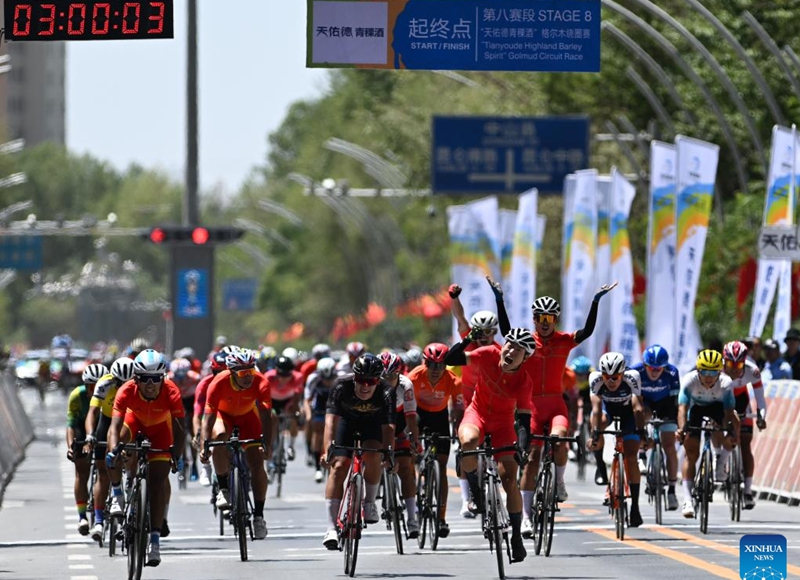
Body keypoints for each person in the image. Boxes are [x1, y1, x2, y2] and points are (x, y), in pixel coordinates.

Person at [489, 277, 617, 535]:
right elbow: (506, 331)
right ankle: (526, 516)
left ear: (555, 320)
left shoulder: (563, 340)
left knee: (559, 440)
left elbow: (587, 331)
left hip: (556, 405)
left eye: (550, 319)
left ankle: (558, 483)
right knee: (533, 458)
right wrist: (499, 300)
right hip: (531, 406)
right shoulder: (527, 341)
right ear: (534, 320)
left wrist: (595, 301)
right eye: (540, 318)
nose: (545, 324)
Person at [445, 327, 536, 563]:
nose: (511, 350)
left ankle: (516, 537)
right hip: (477, 415)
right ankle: (475, 492)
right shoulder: (487, 354)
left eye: (518, 349)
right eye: (509, 344)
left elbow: (524, 421)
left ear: (525, 358)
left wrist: (522, 448)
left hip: (503, 426)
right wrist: (468, 339)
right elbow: (451, 358)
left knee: (509, 480)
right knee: (468, 441)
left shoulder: (524, 382)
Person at [105, 350, 184, 567]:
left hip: (160, 430)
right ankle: (118, 495)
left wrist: (177, 455)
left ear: (163, 378)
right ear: (136, 379)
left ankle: (155, 543)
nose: (150, 384)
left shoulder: (171, 391)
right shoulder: (126, 391)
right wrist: (113, 451)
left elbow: (180, 428)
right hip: (134, 422)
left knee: (158, 483)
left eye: (156, 379)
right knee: (115, 443)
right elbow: (115, 427)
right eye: (144, 379)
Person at [321, 353, 395, 550]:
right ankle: (330, 528)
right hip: (346, 424)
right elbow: (330, 421)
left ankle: (369, 502)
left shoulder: (387, 391)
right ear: (354, 377)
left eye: (371, 381)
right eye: (361, 380)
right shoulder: (340, 385)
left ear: (378, 381)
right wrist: (326, 448)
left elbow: (388, 427)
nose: (365, 386)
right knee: (339, 466)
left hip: (373, 425)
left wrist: (388, 453)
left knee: (374, 454)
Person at [200, 349, 273, 540]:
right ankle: (223, 489)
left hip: (249, 418)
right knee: (220, 436)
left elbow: (267, 415)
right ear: (232, 372)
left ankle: (258, 516)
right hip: (224, 417)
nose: (248, 377)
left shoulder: (261, 381)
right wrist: (204, 445)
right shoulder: (218, 383)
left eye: (251, 371)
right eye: (243, 373)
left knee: (257, 464)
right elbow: (207, 418)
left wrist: (268, 443)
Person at [448, 282, 502, 517]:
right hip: (469, 402)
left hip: (494, 404)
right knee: (465, 447)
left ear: (494, 331)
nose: (483, 337)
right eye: (479, 332)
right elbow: (460, 319)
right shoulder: (468, 342)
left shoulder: (502, 350)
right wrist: (454, 298)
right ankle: (466, 497)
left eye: (488, 332)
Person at [676, 349, 739, 518]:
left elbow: (728, 412)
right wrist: (682, 429)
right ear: (698, 371)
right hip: (696, 410)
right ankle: (688, 500)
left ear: (720, 371)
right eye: (705, 371)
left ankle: (721, 461)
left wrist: (729, 432)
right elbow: (682, 409)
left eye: (713, 372)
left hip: (718, 408)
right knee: (691, 452)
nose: (709, 376)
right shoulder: (689, 380)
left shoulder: (726, 383)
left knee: (731, 429)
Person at [408, 343, 462, 538]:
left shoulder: (454, 380)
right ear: (425, 363)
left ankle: (441, 518)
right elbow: (405, 408)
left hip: (440, 418)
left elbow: (458, 410)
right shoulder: (413, 377)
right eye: (431, 364)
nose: (435, 370)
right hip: (418, 415)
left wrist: (458, 432)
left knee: (441, 466)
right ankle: (415, 492)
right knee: (411, 456)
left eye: (440, 365)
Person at [588, 352, 647, 527]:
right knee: (599, 424)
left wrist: (642, 433)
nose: (611, 381)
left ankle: (635, 507)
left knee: (631, 457)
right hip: (608, 410)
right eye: (607, 377)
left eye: (616, 377)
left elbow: (637, 408)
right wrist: (595, 435)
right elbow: (597, 410)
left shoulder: (632, 377)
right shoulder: (595, 378)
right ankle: (600, 467)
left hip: (628, 413)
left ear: (623, 373)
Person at [84, 357, 134, 541]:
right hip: (107, 420)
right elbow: (93, 412)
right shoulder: (104, 384)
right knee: (102, 472)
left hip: (128, 420)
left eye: (126, 382)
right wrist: (90, 434)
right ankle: (98, 521)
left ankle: (131, 495)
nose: (122, 386)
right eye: (119, 382)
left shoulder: (137, 385)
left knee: (132, 459)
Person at [631, 344, 681, 511]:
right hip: (645, 401)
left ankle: (672, 491)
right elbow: (633, 401)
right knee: (641, 414)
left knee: (669, 446)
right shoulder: (635, 372)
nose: (654, 371)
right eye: (651, 368)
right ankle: (642, 454)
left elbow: (676, 403)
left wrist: (678, 424)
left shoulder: (672, 373)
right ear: (645, 365)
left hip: (665, 403)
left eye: (659, 369)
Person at [379, 351, 421, 538]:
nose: (388, 380)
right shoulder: (372, 384)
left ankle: (412, 519)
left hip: (399, 421)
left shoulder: (406, 385)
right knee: (372, 458)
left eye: (392, 375)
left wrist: (414, 439)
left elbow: (411, 416)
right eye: (383, 376)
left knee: (405, 468)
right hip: (378, 421)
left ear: (399, 373)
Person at [722, 341, 767, 509]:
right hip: (722, 400)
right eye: (730, 364)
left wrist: (761, 417)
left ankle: (747, 491)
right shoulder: (716, 369)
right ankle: (720, 459)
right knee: (719, 432)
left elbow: (760, 400)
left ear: (744, 361)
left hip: (741, 402)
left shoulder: (752, 370)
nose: (734, 369)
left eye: (738, 364)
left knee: (746, 442)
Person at [67, 363, 108, 536]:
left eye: (99, 386)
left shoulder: (110, 392)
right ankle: (82, 516)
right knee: (82, 470)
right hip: (84, 433)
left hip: (104, 430)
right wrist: (71, 447)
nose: (95, 390)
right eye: (92, 386)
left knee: (105, 469)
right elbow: (71, 426)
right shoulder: (77, 396)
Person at [192, 351, 228, 487]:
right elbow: (197, 414)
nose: (220, 376)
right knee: (204, 425)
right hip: (211, 413)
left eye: (224, 372)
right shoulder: (204, 385)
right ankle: (206, 467)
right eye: (217, 372)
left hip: (229, 413)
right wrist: (197, 434)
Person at [304, 357, 340, 482]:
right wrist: (309, 415)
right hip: (319, 406)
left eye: (330, 379)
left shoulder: (339, 378)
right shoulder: (313, 379)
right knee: (318, 433)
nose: (327, 382)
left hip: (335, 406)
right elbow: (307, 399)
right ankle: (317, 468)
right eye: (325, 379)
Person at [266, 355, 305, 463]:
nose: (283, 378)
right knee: (272, 420)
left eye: (286, 375)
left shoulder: (298, 377)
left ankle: (291, 446)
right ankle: (271, 446)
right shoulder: (268, 377)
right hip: (272, 401)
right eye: (281, 375)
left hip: (288, 401)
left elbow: (297, 397)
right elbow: (264, 396)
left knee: (293, 416)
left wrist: (296, 413)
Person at [168, 357, 201, 481]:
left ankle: (194, 465)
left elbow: (200, 396)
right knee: (177, 431)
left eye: (183, 376)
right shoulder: (168, 378)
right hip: (177, 402)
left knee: (193, 433)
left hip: (190, 402)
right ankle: (179, 457)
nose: (181, 380)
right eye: (178, 376)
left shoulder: (195, 378)